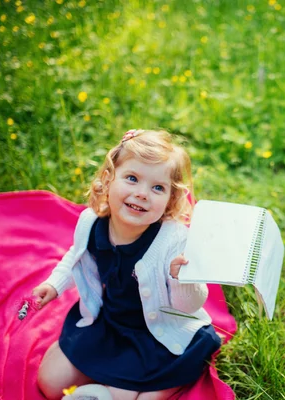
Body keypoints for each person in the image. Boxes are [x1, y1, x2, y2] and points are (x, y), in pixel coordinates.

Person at [32, 129, 221, 400]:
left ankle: (165, 383)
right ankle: (103, 383)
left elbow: (189, 306)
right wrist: (55, 284)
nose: (142, 194)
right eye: (132, 179)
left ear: (170, 198)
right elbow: (77, 254)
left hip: (159, 334)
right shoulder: (91, 223)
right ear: (108, 180)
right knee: (50, 382)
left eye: (158, 187)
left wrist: (182, 279)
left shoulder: (173, 239)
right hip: (111, 322)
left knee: (128, 397)